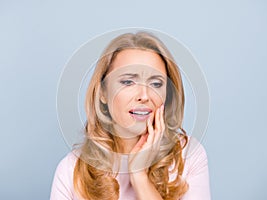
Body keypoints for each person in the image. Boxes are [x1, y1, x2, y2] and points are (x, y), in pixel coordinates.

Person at [50, 31, 211, 200]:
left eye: (156, 83)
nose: (144, 95)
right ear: (103, 92)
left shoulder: (189, 156)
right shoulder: (71, 169)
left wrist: (139, 176)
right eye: (128, 82)